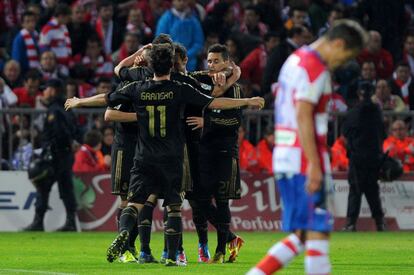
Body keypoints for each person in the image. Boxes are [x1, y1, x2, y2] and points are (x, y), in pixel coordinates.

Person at [104, 43, 264, 266]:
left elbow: (109, 95)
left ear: (150, 64)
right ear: (171, 65)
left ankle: (126, 234)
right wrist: (246, 99)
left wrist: (81, 101)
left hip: (145, 156)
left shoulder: (138, 87)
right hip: (173, 154)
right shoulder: (180, 88)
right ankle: (172, 255)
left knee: (136, 203)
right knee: (174, 206)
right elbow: (214, 100)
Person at [247, 19, 368, 275]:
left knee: (302, 235)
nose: (343, 62)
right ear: (338, 44)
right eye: (347, 55)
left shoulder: (294, 60)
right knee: (318, 233)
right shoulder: (315, 68)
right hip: (304, 159)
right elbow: (303, 114)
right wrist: (313, 164)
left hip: (287, 156)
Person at [23, 79, 80, 232]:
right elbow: (75, 130)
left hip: (56, 155)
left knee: (43, 186)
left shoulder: (54, 110)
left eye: (46, 89)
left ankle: (38, 222)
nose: (44, 92)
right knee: (66, 188)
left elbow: (59, 133)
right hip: (65, 154)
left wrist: (51, 151)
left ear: (53, 90)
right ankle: (70, 222)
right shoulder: (67, 107)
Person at [342, 81, 386, 232]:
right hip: (374, 156)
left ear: (358, 94)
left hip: (357, 156)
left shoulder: (354, 112)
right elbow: (383, 133)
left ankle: (351, 223)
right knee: (372, 190)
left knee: (355, 190)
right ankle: (380, 223)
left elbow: (345, 132)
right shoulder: (377, 111)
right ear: (372, 92)